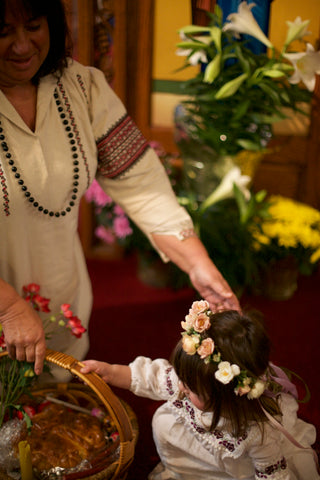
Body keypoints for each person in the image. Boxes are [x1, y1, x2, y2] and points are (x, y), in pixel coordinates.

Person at [0, 0, 240, 379]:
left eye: (33, 26)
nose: (22, 46)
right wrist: (8, 309)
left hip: (63, 301)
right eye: (3, 32)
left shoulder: (81, 86)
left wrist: (198, 264)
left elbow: (140, 181)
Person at [81, 300, 320, 480]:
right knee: (164, 422)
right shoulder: (191, 380)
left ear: (228, 396)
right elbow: (149, 377)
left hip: (235, 470)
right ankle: (178, 470)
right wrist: (110, 371)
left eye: (191, 388)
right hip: (193, 454)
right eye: (182, 378)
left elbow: (271, 475)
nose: (181, 387)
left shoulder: (257, 433)